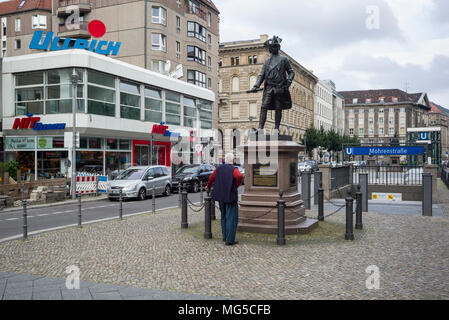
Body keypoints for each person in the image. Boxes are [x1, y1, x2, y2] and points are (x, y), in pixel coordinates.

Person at [250, 35, 295, 131]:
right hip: (269, 88)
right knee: (264, 106)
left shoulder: (284, 59)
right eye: (272, 47)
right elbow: (261, 75)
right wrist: (256, 85)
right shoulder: (267, 62)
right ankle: (260, 128)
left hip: (279, 88)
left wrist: (288, 81)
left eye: (275, 46)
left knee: (278, 108)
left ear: (278, 47)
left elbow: (291, 72)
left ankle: (276, 129)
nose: (273, 48)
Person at [206, 153, 243, 246]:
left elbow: (211, 178)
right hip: (230, 196)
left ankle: (225, 236)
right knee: (231, 218)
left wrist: (208, 186)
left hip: (221, 196)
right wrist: (236, 185)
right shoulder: (233, 169)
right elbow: (239, 176)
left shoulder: (219, 169)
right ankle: (230, 240)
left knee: (223, 216)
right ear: (232, 160)